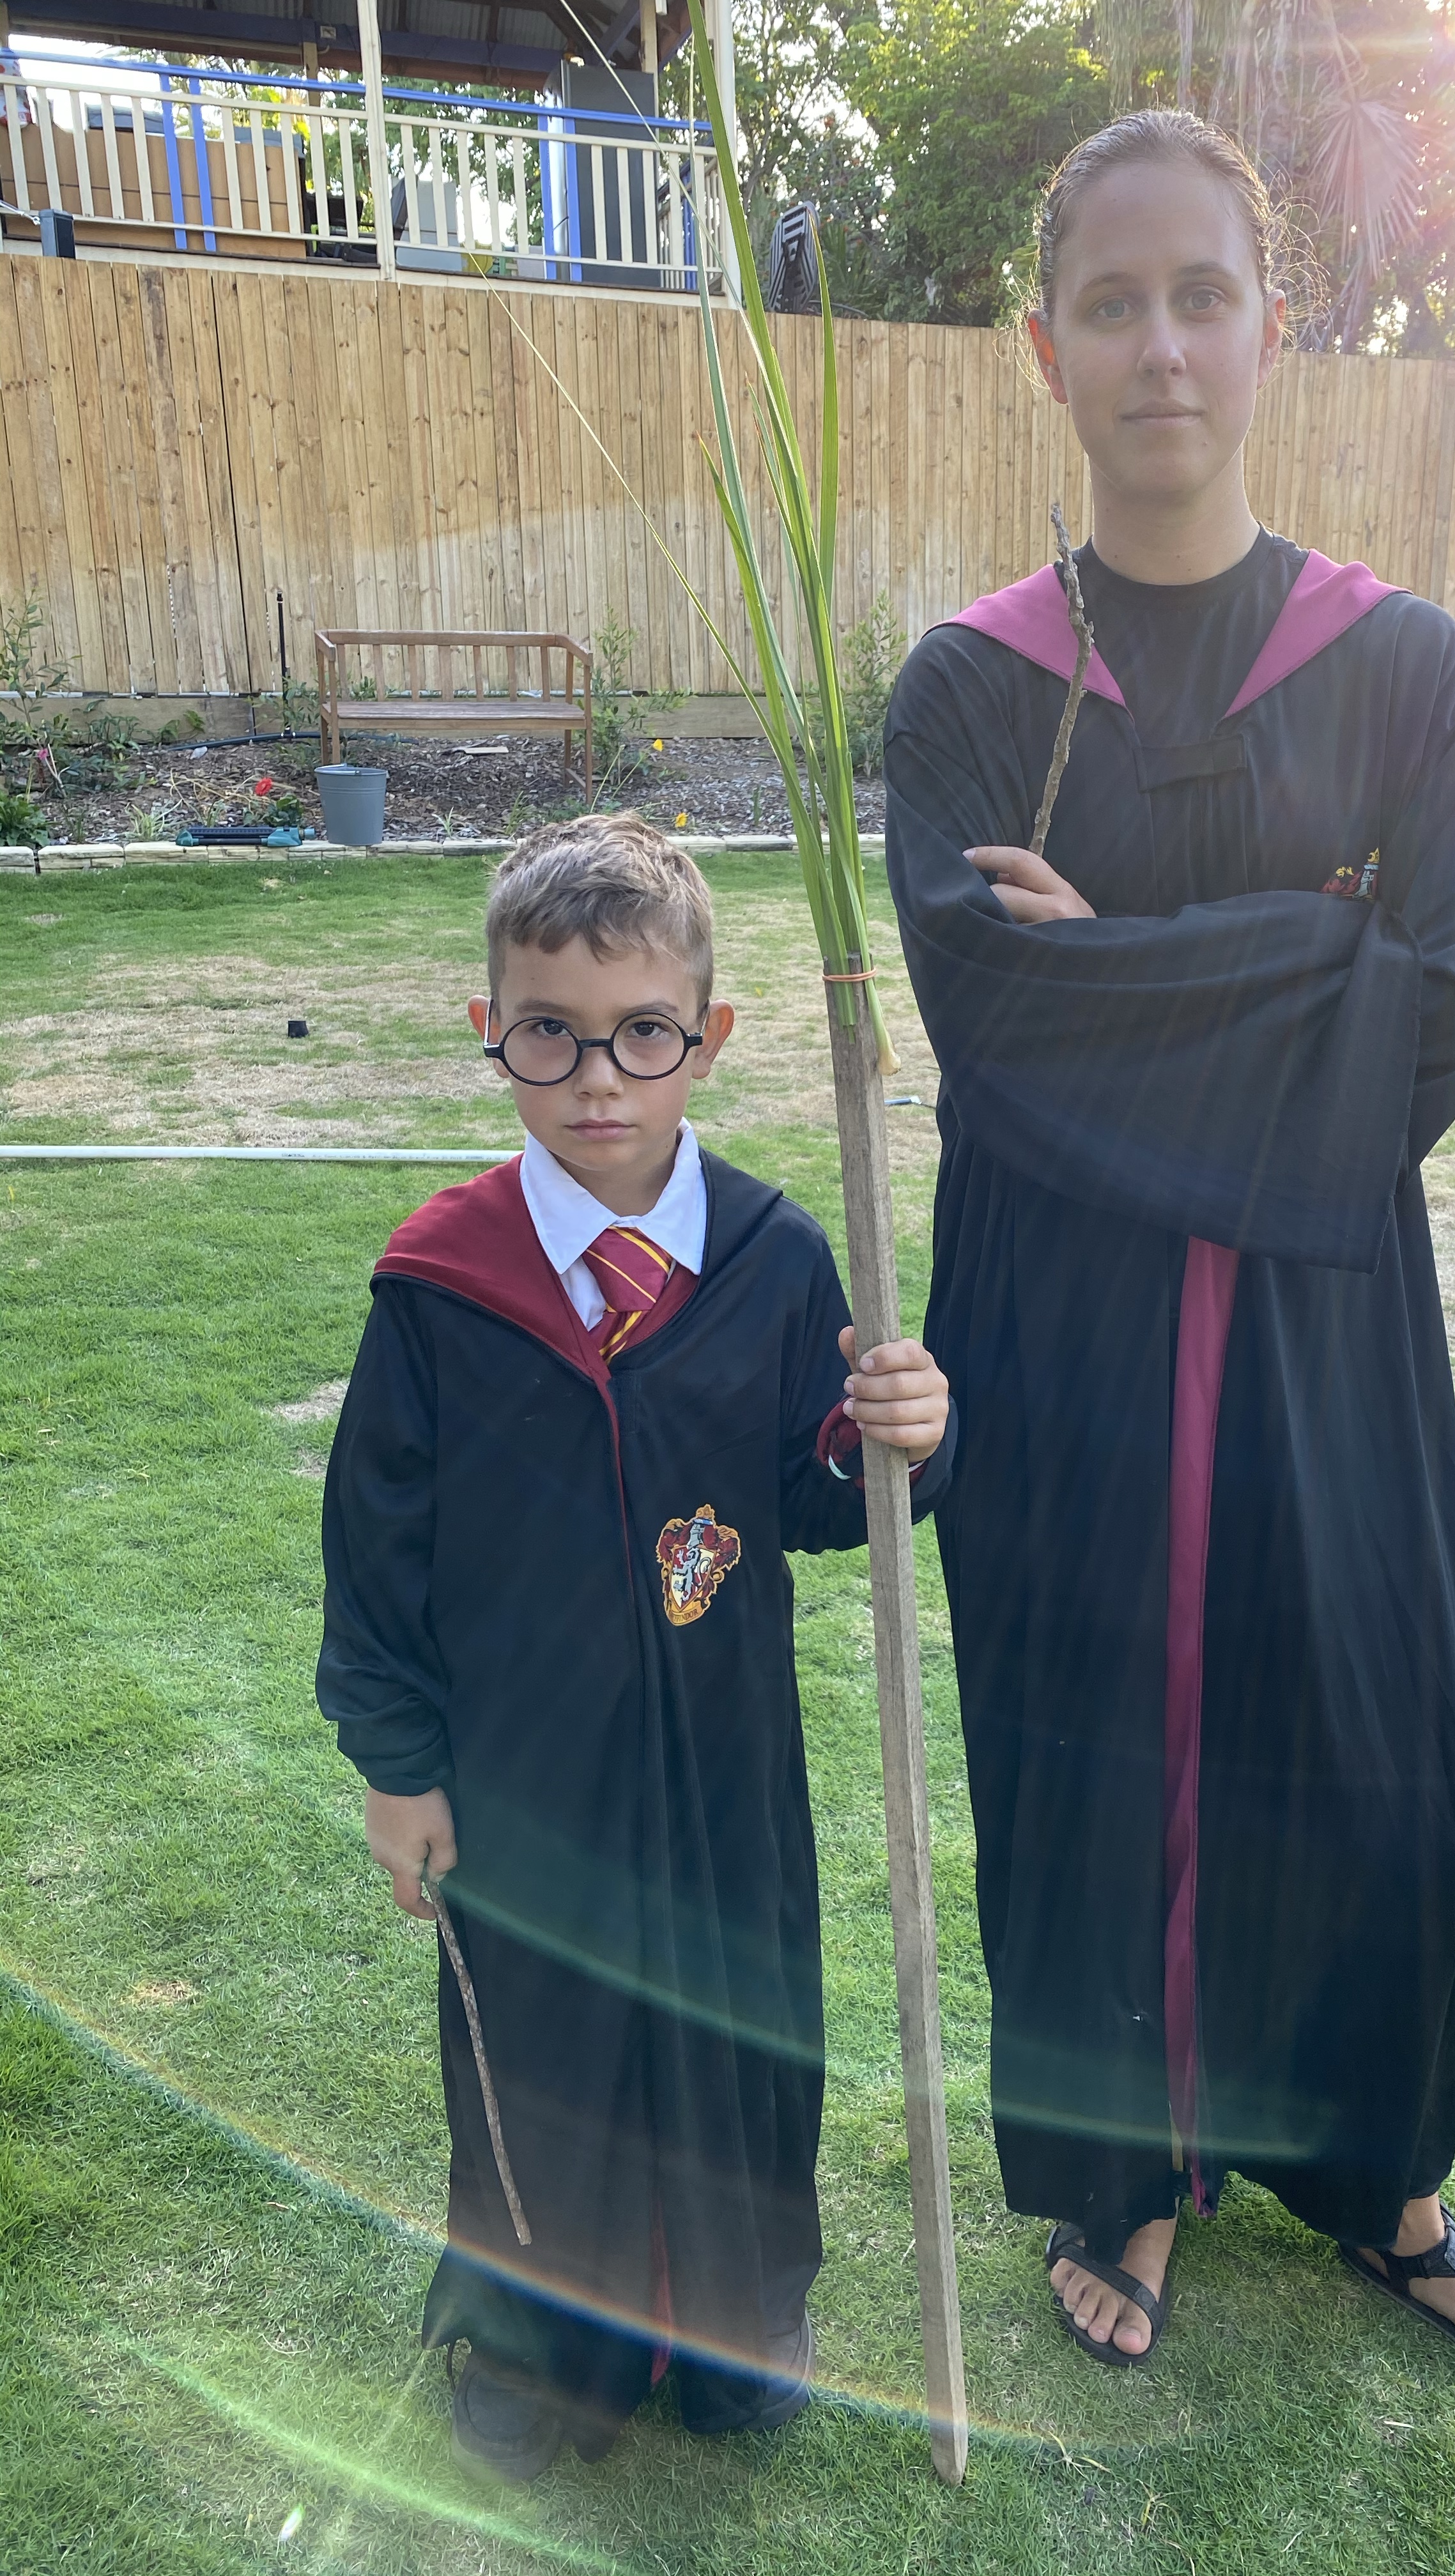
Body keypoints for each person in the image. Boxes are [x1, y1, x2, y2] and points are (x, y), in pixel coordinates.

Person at [886, 111, 1455, 2419]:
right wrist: (1309, 943)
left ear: (1273, 326)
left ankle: (1394, 2193)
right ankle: (1122, 2177)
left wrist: (1139, 961)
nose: (1162, 346)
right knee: (1085, 1734)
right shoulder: (970, 689)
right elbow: (993, 1011)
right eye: (1112, 304)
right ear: (1045, 347)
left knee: (1382, 1735)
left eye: (1202, 295)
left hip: (1324, 1318)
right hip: (1059, 1322)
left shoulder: (1400, 670)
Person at [316, 816, 955, 2479]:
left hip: (724, 1771)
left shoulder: (773, 1261)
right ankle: (549, 2361)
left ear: (709, 1038)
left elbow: (816, 1495)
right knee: (540, 2061)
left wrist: (892, 1436)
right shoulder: (441, 1289)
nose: (598, 1077)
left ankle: (742, 2328)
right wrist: (400, 1770)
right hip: (525, 1780)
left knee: (741, 2033)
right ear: (494, 1032)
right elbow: (375, 1556)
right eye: (551, 1032)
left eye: (644, 1034)